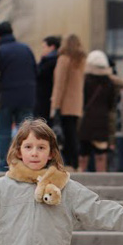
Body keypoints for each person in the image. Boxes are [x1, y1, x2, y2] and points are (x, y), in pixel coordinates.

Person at [0, 21, 37, 171]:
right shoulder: (26, 49)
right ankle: (28, 162)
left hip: (6, 97)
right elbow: (34, 71)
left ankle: (5, 164)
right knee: (27, 132)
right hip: (27, 97)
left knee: (5, 132)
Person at [50, 34, 86, 168]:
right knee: (72, 134)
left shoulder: (64, 59)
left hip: (64, 103)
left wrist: (55, 105)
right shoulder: (80, 61)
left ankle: (70, 163)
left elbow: (59, 84)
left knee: (66, 134)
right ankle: (75, 163)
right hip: (76, 104)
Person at [78, 50, 115, 172]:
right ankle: (102, 178)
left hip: (86, 121)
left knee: (83, 154)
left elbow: (81, 100)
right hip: (102, 121)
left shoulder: (85, 81)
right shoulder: (109, 83)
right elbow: (111, 104)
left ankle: (81, 180)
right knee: (101, 155)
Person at [34, 36, 60, 121]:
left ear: (52, 47)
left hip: (45, 98)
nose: (43, 50)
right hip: (44, 97)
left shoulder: (50, 62)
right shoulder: (50, 60)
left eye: (44, 47)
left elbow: (38, 73)